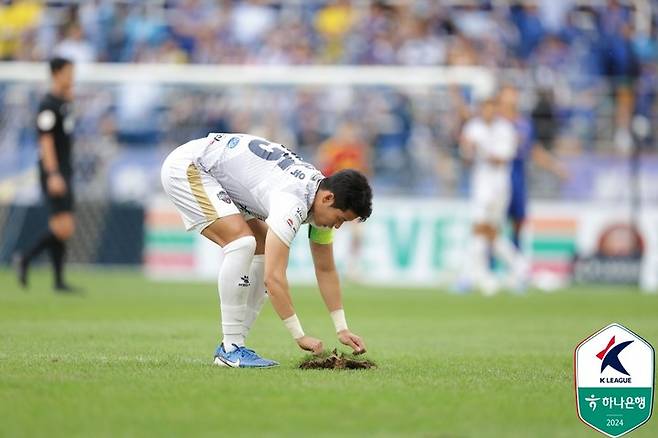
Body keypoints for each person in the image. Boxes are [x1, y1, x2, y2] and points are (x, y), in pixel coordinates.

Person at [160, 133, 372, 368]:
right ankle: (230, 349)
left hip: (220, 172)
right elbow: (274, 279)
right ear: (328, 198)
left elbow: (325, 269)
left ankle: (233, 347)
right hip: (191, 166)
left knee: (259, 247)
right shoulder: (293, 201)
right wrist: (299, 335)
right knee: (242, 243)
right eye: (340, 218)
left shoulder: (320, 198)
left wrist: (341, 328)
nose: (337, 226)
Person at [15, 57, 77, 292]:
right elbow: (46, 141)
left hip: (65, 168)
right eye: (69, 72)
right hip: (54, 170)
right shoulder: (47, 105)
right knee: (64, 227)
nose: (72, 77)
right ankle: (25, 258)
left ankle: (58, 282)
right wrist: (53, 173)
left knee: (60, 225)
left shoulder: (64, 102)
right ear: (57, 73)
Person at [459, 98, 526, 295]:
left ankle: (482, 275)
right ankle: (483, 276)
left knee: (487, 231)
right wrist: (468, 149)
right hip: (480, 187)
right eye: (484, 109)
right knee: (482, 229)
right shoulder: (473, 127)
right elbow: (467, 158)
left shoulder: (505, 129)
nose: (487, 112)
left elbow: (501, 159)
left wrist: (479, 147)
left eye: (491, 109)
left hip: (499, 188)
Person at [498, 85, 567, 248]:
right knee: (495, 220)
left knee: (518, 219)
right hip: (498, 173)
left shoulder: (524, 124)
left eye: (513, 96)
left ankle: (516, 256)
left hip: (518, 172)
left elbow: (533, 150)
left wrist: (556, 167)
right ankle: (489, 262)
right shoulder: (495, 123)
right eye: (507, 96)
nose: (511, 100)